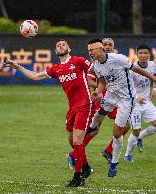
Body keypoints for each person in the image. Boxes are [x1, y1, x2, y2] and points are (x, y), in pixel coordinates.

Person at [5, 40, 93, 187]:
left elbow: (95, 69)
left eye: (63, 44)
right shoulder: (56, 69)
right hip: (72, 108)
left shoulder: (78, 61)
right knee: (72, 142)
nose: (60, 46)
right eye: (57, 46)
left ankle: (78, 177)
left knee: (78, 142)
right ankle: (86, 168)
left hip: (85, 105)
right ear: (56, 51)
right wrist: (18, 66)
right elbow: (35, 76)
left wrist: (100, 86)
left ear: (69, 48)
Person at [87, 39, 156, 178]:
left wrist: (154, 79)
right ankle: (91, 128)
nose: (90, 52)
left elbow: (137, 69)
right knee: (99, 113)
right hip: (111, 94)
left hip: (126, 98)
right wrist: (97, 92)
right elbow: (102, 82)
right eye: (88, 50)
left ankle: (114, 162)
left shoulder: (118, 58)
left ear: (100, 49)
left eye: (92, 50)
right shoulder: (96, 65)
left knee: (117, 132)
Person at [67, 38, 118, 169]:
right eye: (104, 44)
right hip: (100, 99)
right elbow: (89, 81)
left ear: (113, 47)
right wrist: (103, 88)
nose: (107, 46)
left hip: (114, 98)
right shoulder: (94, 64)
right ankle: (74, 154)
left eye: (109, 45)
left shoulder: (115, 60)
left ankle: (109, 150)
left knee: (126, 123)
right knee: (93, 130)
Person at [124, 45, 156, 161]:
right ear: (137, 55)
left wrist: (154, 88)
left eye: (145, 53)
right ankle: (128, 154)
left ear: (149, 54)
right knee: (135, 130)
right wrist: (136, 97)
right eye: (141, 53)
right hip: (134, 105)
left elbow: (155, 76)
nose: (143, 55)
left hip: (147, 103)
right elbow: (125, 87)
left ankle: (140, 137)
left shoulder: (152, 65)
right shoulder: (132, 69)